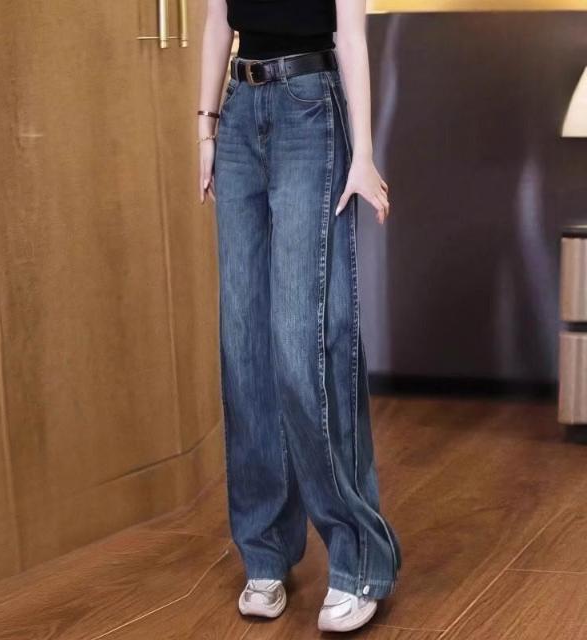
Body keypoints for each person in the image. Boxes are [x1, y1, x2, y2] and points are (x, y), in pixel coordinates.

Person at [197, 0, 402, 632]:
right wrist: (205, 129)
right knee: (243, 346)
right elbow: (217, 21)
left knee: (303, 341)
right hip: (239, 111)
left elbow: (351, 36)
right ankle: (263, 552)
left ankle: (358, 559)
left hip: (311, 109)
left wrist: (363, 154)